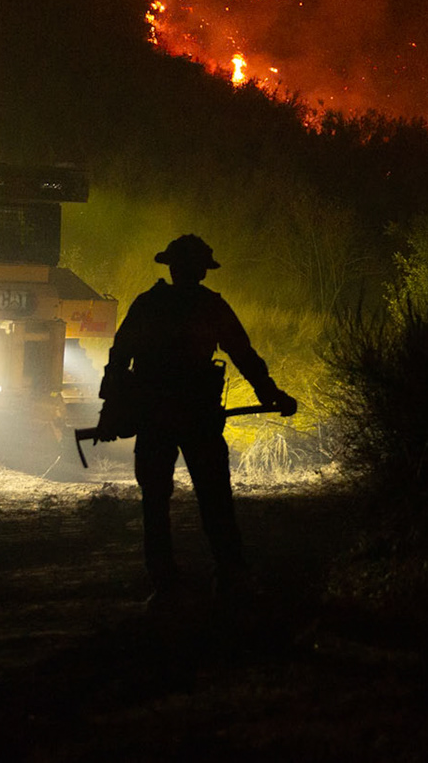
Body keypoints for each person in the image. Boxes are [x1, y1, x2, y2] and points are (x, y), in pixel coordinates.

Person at [95, 234, 297, 601]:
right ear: (203, 271)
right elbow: (244, 355)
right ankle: (230, 574)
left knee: (155, 501)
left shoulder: (147, 305)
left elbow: (119, 359)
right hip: (198, 418)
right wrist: (272, 395)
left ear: (171, 268)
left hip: (156, 418)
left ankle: (164, 583)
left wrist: (110, 411)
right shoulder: (211, 306)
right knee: (214, 497)